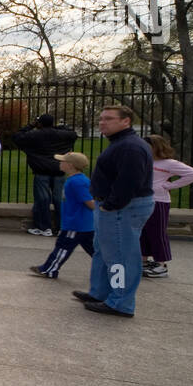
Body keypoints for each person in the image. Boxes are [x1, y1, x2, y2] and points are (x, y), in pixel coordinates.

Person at [73, 105, 154, 317]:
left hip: (121, 208)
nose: (102, 122)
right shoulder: (121, 143)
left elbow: (129, 180)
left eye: (108, 119)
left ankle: (120, 301)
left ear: (126, 121)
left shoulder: (130, 147)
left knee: (120, 256)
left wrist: (112, 204)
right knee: (104, 251)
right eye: (101, 119)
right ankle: (100, 292)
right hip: (112, 207)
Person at [141, 135, 193, 279]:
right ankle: (143, 261)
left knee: (157, 233)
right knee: (143, 233)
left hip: (159, 202)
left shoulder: (169, 163)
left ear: (156, 146)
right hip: (142, 200)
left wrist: (169, 185)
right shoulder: (143, 160)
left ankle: (161, 265)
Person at [28, 152, 96, 278]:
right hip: (81, 224)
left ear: (70, 165)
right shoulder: (76, 180)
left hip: (76, 224)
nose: (60, 163)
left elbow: (89, 202)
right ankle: (110, 267)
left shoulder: (77, 182)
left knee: (63, 247)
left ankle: (49, 269)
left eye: (62, 161)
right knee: (94, 250)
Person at [12, 114, 79, 236]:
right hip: (59, 169)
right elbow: (73, 133)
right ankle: (61, 227)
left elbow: (17, 137)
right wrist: (57, 127)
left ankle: (44, 227)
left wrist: (31, 125)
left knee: (42, 200)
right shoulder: (63, 135)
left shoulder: (34, 135)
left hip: (41, 170)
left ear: (39, 123)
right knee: (60, 200)